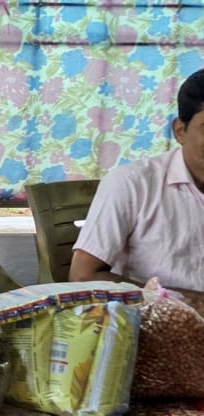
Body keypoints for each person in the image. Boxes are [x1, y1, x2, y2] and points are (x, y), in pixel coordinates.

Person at [69, 68, 204, 304]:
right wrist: (187, 302)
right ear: (180, 131)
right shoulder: (132, 184)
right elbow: (83, 277)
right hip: (151, 330)